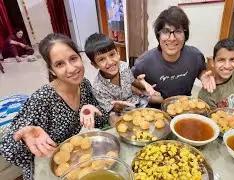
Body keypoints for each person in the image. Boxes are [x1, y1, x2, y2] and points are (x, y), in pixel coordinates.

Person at [0, 33, 108, 179]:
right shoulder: (42, 99)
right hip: (48, 169)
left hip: (77, 162)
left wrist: (91, 110)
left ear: (80, 57)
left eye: (73, 58)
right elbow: (8, 150)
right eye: (59, 64)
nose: (71, 69)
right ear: (52, 70)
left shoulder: (84, 85)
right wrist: (24, 139)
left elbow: (100, 121)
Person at [131, 6, 215, 108]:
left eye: (178, 31)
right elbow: (130, 82)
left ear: (185, 34)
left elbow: (201, 70)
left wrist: (203, 75)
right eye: (166, 32)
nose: (171, 38)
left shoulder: (195, 56)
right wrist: (142, 92)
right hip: (156, 112)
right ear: (159, 35)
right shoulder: (144, 62)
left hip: (185, 109)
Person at [85, 33, 160, 127]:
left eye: (112, 54)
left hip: (134, 99)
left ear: (118, 54)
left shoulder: (124, 66)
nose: (110, 62)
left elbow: (133, 82)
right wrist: (119, 107)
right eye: (101, 59)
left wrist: (143, 84)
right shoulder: (97, 87)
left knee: (159, 98)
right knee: (117, 123)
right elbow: (111, 109)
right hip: (117, 111)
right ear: (95, 65)